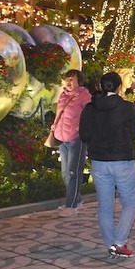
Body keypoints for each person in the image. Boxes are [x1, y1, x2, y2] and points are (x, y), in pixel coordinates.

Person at [79, 72, 135, 258]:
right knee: (129, 203)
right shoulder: (126, 107)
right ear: (118, 86)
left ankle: (110, 244)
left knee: (105, 206)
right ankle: (119, 242)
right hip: (122, 160)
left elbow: (84, 135)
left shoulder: (90, 108)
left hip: (99, 162)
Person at [54, 69, 92, 217]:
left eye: (72, 79)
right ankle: (76, 200)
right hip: (62, 138)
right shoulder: (63, 95)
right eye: (67, 79)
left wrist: (81, 128)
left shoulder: (84, 96)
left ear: (79, 81)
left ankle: (70, 206)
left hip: (77, 138)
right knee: (65, 172)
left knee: (73, 172)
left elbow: (90, 115)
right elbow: (59, 114)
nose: (69, 82)